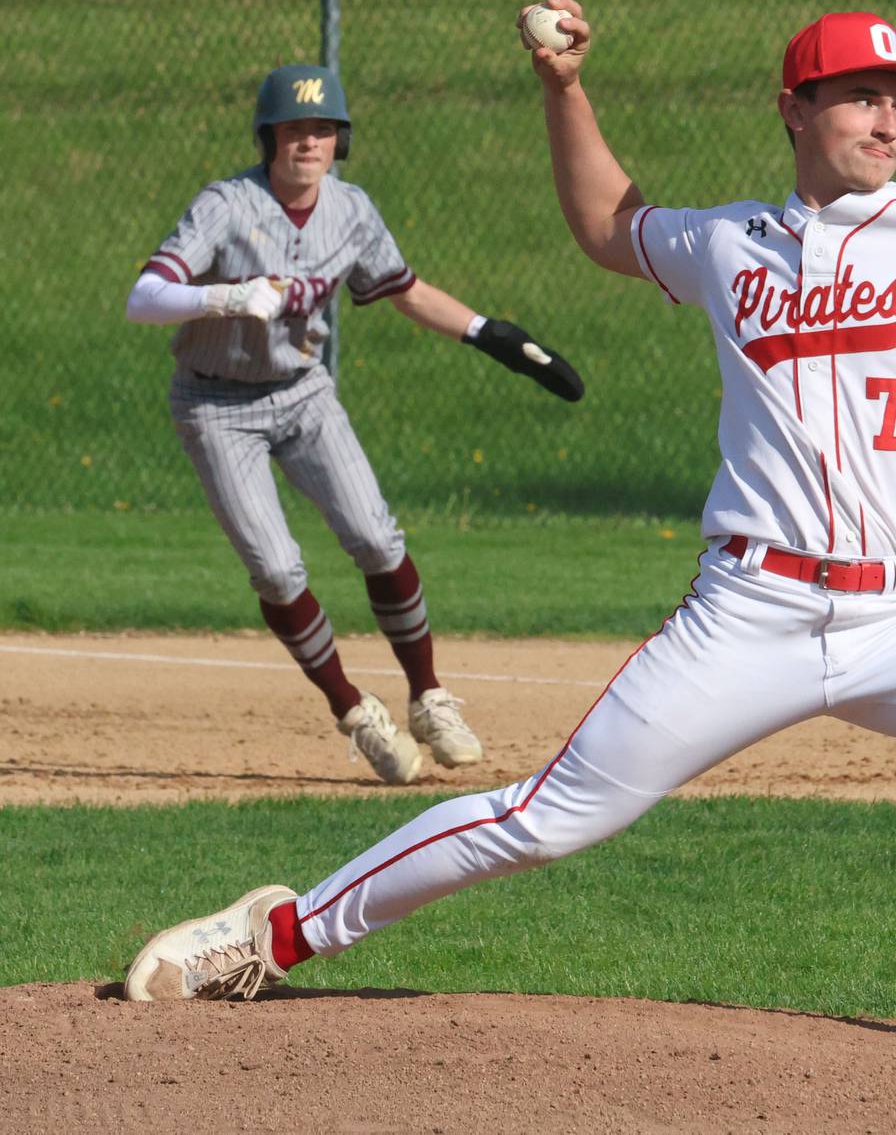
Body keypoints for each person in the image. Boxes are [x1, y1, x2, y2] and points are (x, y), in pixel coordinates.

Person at [121, 11, 896, 1084]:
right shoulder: (728, 242)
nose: (887, 116)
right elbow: (608, 221)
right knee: (544, 817)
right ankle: (271, 934)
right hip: (746, 612)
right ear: (796, 108)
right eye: (863, 94)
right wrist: (565, 90)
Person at [125, 64, 584, 785]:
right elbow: (144, 296)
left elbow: (404, 291)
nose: (307, 142)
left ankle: (429, 696)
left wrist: (492, 334)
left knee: (375, 536)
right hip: (216, 405)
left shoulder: (352, 211)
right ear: (268, 136)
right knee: (276, 569)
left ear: (341, 140)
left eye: (322, 129)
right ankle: (355, 710)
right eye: (292, 128)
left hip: (304, 392)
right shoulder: (226, 203)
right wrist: (230, 296)